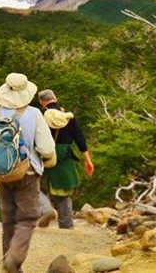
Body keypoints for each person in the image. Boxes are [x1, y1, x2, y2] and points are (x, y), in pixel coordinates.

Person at [0, 73, 57, 273]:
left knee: (8, 219)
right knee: (27, 219)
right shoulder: (34, 114)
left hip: (2, 175)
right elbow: (47, 148)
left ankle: (11, 264)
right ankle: (13, 259)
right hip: (27, 174)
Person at [37, 89, 95, 229]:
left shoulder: (41, 116)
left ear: (43, 103)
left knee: (33, 185)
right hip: (65, 155)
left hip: (46, 154)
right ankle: (66, 225)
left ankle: (45, 210)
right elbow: (79, 137)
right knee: (63, 191)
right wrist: (87, 159)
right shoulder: (67, 116)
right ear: (55, 98)